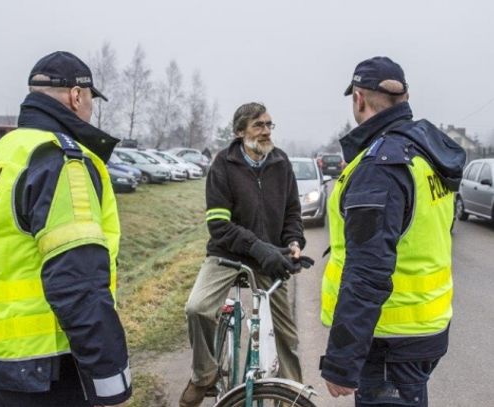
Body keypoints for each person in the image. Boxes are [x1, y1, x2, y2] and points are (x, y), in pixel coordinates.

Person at [0, 51, 132, 407]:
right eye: (90, 101)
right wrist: (110, 374)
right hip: (48, 367)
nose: (90, 110)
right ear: (77, 96)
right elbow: (77, 279)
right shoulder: (61, 161)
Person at [319, 56, 466, 406]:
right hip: (423, 328)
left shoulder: (380, 166)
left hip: (389, 341)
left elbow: (367, 270)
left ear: (358, 98)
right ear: (405, 97)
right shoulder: (423, 152)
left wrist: (342, 360)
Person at [179, 102, 313, 407]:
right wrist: (258, 247)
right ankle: (204, 376)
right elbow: (219, 226)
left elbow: (293, 212)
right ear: (241, 132)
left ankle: (292, 396)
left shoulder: (281, 163)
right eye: (258, 125)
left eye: (269, 124)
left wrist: (293, 241)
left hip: (269, 258)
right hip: (227, 255)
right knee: (197, 309)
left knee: (286, 337)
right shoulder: (222, 166)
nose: (266, 131)